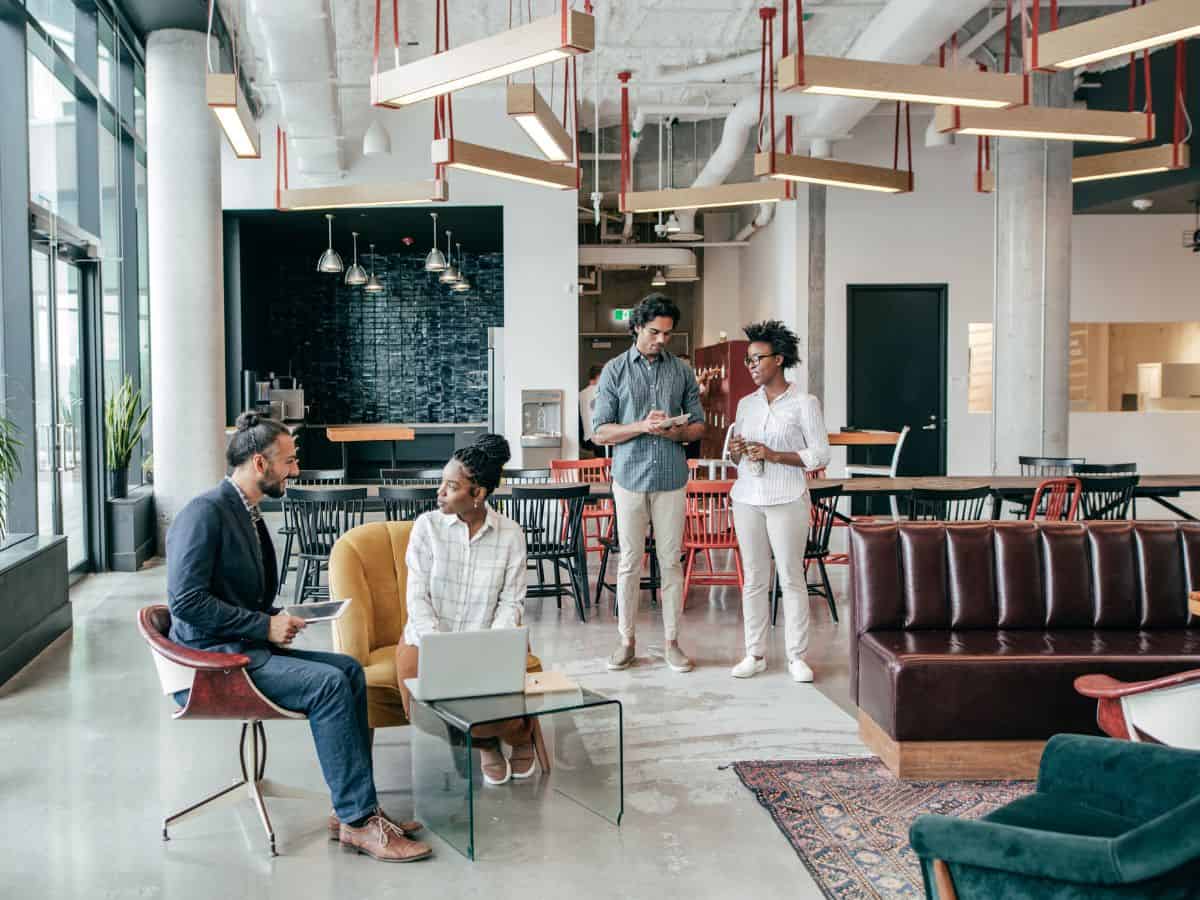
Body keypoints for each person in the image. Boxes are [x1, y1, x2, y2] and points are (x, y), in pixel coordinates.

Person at [166, 413, 432, 863]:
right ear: (259, 463)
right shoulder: (205, 513)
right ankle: (361, 822)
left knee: (349, 670)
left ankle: (352, 811)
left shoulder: (246, 513)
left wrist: (279, 617)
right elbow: (187, 603)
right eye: (289, 461)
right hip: (214, 665)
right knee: (328, 685)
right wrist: (262, 626)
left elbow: (233, 596)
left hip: (244, 649)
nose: (296, 470)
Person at [395, 434, 540, 786]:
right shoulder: (426, 527)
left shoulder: (511, 535)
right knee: (423, 713)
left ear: (478, 494)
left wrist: (488, 646)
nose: (439, 493)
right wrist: (441, 646)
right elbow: (416, 597)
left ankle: (519, 735)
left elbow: (511, 602)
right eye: (441, 484)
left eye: (450, 486)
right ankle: (488, 742)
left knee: (499, 703)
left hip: (487, 638)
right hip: (426, 639)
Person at [593, 294, 706, 673]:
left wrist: (676, 431)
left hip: (671, 478)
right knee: (629, 562)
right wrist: (643, 425)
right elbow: (600, 432)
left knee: (671, 561)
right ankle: (626, 641)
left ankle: (672, 642)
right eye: (654, 332)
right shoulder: (614, 371)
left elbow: (700, 425)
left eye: (667, 334)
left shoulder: (682, 372)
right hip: (629, 478)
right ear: (637, 327)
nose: (661, 340)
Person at [727, 321, 831, 683]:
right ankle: (754, 653)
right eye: (748, 360)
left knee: (791, 577)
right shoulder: (745, 405)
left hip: (787, 498)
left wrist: (775, 455)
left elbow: (820, 455)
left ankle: (796, 657)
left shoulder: (805, 403)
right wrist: (737, 451)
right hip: (746, 498)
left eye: (757, 358)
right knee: (754, 578)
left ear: (779, 359)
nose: (751, 365)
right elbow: (735, 458)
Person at [578, 365, 604, 456]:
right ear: (598, 377)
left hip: (586, 440)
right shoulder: (602, 391)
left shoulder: (580, 395)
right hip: (602, 437)